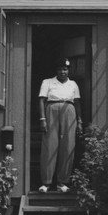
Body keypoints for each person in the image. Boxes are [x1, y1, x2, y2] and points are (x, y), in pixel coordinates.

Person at [38, 57, 83, 193]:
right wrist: (42, 119)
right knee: (49, 146)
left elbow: (77, 103)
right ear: (56, 70)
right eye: (60, 69)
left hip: (69, 111)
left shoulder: (73, 84)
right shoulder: (47, 82)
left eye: (65, 69)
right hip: (51, 110)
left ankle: (62, 182)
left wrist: (80, 121)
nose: (62, 72)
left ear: (68, 71)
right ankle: (46, 183)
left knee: (68, 146)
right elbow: (41, 101)